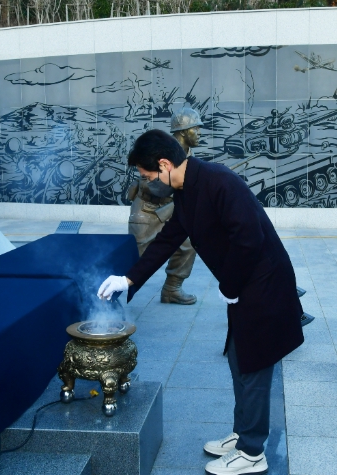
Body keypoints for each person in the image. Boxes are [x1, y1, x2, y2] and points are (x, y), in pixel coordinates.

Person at [98, 129, 304, 475]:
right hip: (244, 284)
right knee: (239, 360)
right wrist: (128, 279)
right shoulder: (186, 190)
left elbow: (249, 239)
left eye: (148, 176)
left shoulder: (218, 181)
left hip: (264, 284)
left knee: (254, 365)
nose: (147, 183)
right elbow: (168, 239)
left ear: (165, 164)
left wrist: (231, 285)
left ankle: (252, 452)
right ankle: (243, 433)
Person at [126, 107, 203, 305]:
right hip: (148, 209)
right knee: (135, 258)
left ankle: (171, 289)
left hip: (172, 209)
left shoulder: (189, 154)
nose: (199, 132)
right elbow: (153, 184)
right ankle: (109, 296)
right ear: (183, 131)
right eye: (195, 128)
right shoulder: (161, 149)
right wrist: (181, 184)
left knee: (187, 245)